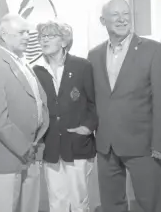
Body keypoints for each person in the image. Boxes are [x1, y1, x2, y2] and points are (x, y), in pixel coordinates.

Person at [88, 0, 161, 212]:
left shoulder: (155, 50)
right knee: (111, 205)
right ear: (103, 20)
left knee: (152, 204)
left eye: (126, 14)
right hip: (106, 146)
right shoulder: (94, 55)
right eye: (115, 15)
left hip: (145, 146)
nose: (122, 19)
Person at [0, 13, 50, 212]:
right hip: (8, 154)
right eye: (21, 32)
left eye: (28, 32)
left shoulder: (24, 64)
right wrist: (24, 147)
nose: (27, 36)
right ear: (3, 34)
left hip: (31, 151)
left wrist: (34, 144)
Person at [33, 20, 97, 212]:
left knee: (79, 200)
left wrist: (86, 128)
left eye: (50, 36)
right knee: (56, 200)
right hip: (51, 145)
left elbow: (94, 102)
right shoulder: (35, 70)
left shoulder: (82, 66)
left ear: (63, 42)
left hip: (77, 144)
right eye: (41, 36)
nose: (44, 40)